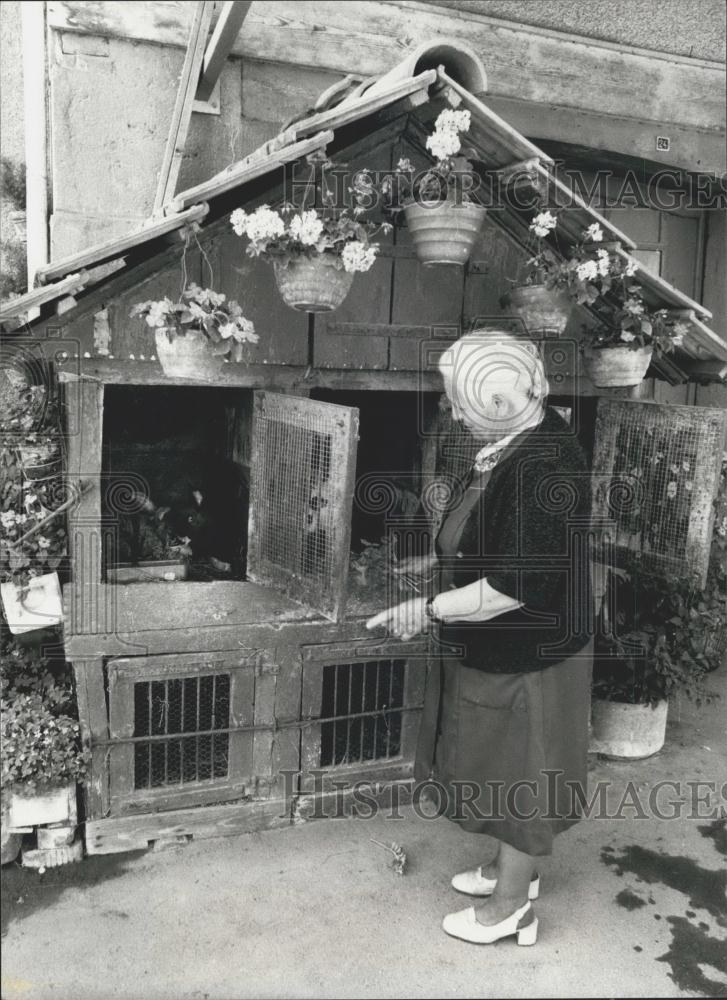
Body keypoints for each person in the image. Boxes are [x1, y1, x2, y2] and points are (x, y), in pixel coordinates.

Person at [366, 330, 593, 946]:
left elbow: (515, 586)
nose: (451, 409)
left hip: (529, 649)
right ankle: (509, 869)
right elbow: (490, 536)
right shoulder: (509, 441)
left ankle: (511, 908)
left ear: (495, 402)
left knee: (522, 770)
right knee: (503, 764)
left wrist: (428, 607)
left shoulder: (544, 462)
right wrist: (438, 565)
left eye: (457, 401)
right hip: (503, 643)